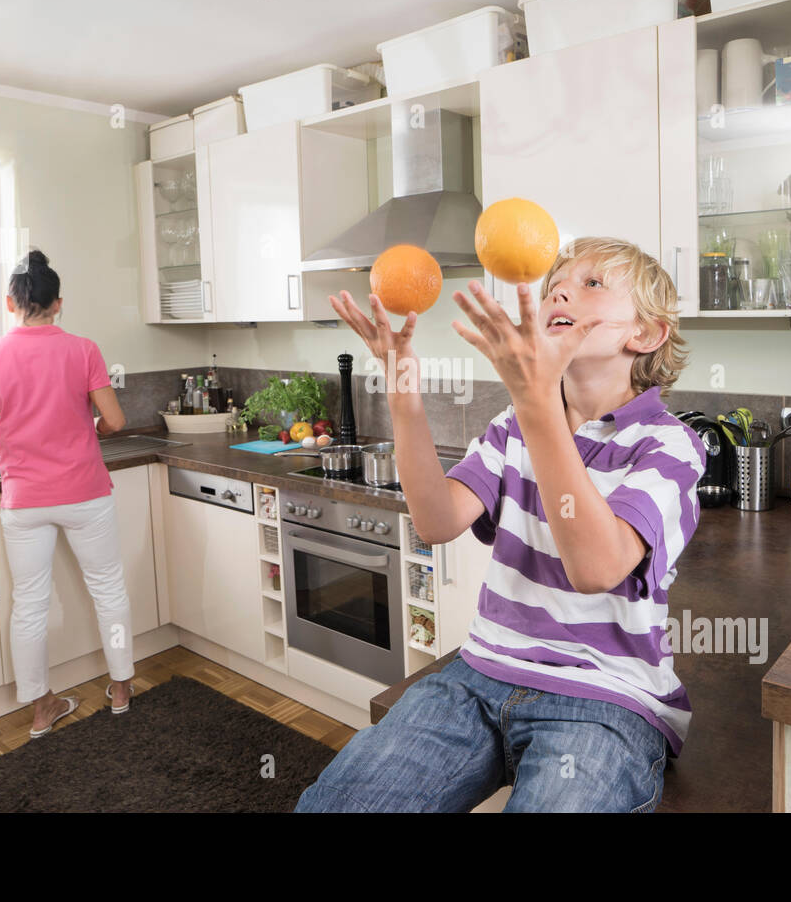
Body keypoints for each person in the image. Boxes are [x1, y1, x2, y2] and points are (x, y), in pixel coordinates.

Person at [298, 237, 706, 812]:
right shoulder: (512, 425)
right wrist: (404, 398)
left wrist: (538, 404)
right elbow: (437, 520)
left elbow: (596, 568)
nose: (562, 288)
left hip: (607, 696)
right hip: (479, 674)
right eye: (555, 285)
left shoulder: (669, 445)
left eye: (593, 284)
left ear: (645, 334)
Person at [0, 249, 136, 739]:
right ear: (58, 304)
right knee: (109, 589)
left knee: (29, 603)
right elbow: (116, 421)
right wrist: (88, 425)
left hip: (24, 500)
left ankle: (42, 708)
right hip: (85, 492)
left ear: (11, 302)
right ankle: (120, 689)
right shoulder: (83, 349)